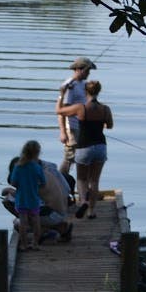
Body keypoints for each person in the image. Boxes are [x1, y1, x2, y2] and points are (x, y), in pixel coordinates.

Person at [56, 79, 112, 218]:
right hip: (100, 146)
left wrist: (61, 95)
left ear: (85, 91)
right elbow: (109, 125)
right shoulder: (105, 109)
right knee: (94, 180)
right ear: (99, 92)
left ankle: (83, 201)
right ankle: (91, 211)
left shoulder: (80, 108)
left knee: (81, 179)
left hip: (83, 147)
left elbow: (59, 111)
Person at [57, 57, 95, 178]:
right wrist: (63, 132)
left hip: (82, 127)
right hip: (72, 127)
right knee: (70, 157)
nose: (89, 73)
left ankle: (76, 185)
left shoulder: (84, 84)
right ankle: (60, 181)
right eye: (87, 70)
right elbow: (61, 111)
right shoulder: (69, 86)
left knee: (80, 157)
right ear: (78, 69)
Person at [8, 140, 46, 251]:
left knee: (23, 223)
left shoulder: (18, 167)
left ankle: (24, 245)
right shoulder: (37, 167)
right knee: (36, 222)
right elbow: (43, 182)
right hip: (34, 200)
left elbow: (13, 182)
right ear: (37, 153)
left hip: (21, 200)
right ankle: (35, 244)